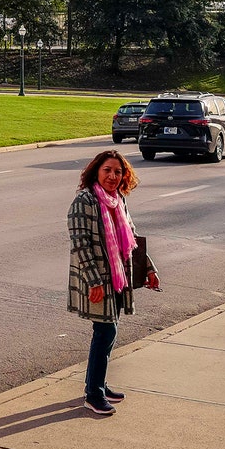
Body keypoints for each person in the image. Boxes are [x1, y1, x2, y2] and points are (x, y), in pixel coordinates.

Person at [67, 150, 159, 417]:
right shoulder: (84, 200)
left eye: (118, 172)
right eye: (107, 170)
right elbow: (80, 244)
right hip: (97, 277)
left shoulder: (118, 200)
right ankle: (93, 394)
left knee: (108, 333)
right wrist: (94, 281)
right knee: (105, 333)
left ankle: (99, 385)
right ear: (96, 170)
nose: (112, 176)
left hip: (119, 275)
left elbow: (131, 238)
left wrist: (149, 269)